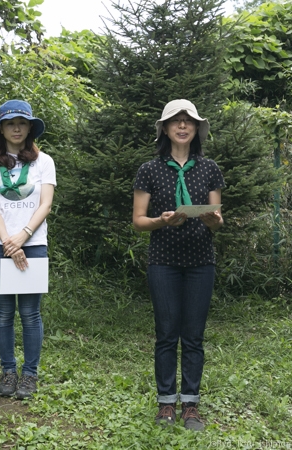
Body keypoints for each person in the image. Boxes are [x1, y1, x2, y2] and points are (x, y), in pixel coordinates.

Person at [132, 99, 224, 431]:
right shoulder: (149, 169)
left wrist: (213, 220)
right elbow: (139, 221)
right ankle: (166, 404)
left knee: (194, 336)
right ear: (166, 129)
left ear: (197, 128)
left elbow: (217, 218)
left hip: (201, 261)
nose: (183, 126)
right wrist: (161, 220)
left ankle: (191, 405)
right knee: (167, 334)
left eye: (189, 121)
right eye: (176, 121)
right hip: (164, 262)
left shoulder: (210, 168)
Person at [0, 99, 56, 400]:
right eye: (10, 123)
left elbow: (45, 204)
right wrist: (8, 244)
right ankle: (8, 371)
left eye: (22, 123)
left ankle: (30, 375)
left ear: (30, 128)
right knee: (3, 313)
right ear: (1, 128)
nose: (16, 128)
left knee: (30, 312)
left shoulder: (43, 161)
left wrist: (22, 238)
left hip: (33, 245)